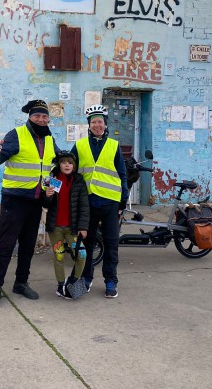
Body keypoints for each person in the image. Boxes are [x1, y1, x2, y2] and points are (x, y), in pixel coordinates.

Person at [0, 99, 59, 307]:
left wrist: (54, 188)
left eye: (45, 116)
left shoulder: (50, 139)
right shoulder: (16, 134)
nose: (41, 120)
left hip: (36, 201)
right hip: (14, 200)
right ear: (30, 117)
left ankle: (21, 283)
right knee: (5, 245)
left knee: (28, 246)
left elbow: (54, 166)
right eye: (37, 116)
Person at [71, 104, 128, 299]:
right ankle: (86, 279)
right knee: (86, 244)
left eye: (100, 122)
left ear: (105, 125)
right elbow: (68, 169)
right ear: (89, 125)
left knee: (111, 244)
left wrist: (123, 202)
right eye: (94, 122)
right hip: (88, 204)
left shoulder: (114, 145)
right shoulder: (79, 146)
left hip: (110, 203)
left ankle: (111, 280)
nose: (97, 125)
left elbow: (122, 174)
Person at [42, 151, 90, 299]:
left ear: (74, 165)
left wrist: (83, 227)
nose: (67, 165)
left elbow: (84, 205)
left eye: (70, 162)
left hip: (72, 228)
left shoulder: (79, 180)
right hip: (55, 227)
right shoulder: (52, 179)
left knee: (81, 254)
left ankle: (73, 281)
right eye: (63, 162)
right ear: (59, 164)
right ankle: (60, 285)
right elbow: (45, 204)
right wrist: (47, 196)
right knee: (59, 256)